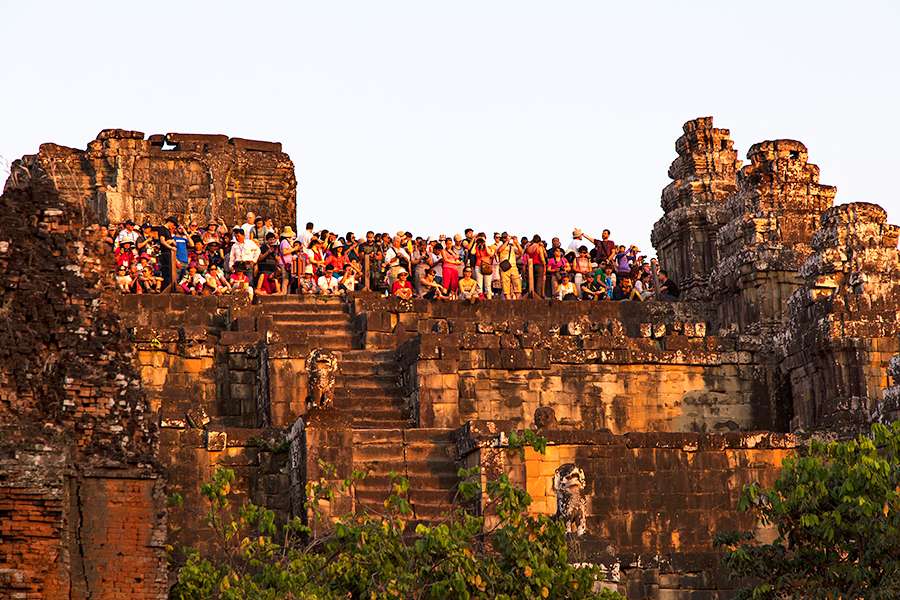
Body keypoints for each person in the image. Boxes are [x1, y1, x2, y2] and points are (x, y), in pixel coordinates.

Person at [496, 232, 522, 299]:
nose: (506, 238)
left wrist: (516, 242)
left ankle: (518, 303)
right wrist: (507, 241)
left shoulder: (512, 246)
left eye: (506, 237)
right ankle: (508, 303)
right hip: (504, 268)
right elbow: (499, 250)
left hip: (513, 267)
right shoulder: (499, 245)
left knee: (517, 286)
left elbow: (521, 252)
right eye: (504, 237)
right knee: (506, 287)